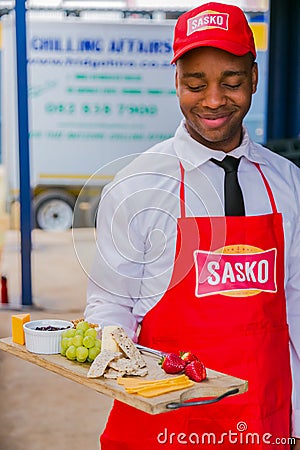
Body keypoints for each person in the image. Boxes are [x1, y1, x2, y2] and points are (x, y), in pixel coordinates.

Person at [84, 2, 300, 448]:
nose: (215, 100)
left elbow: (296, 307)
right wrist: (116, 359)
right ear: (177, 83)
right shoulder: (137, 184)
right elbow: (110, 304)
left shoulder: (288, 183)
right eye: (196, 84)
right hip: (163, 418)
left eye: (233, 83)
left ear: (254, 79)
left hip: (261, 418)